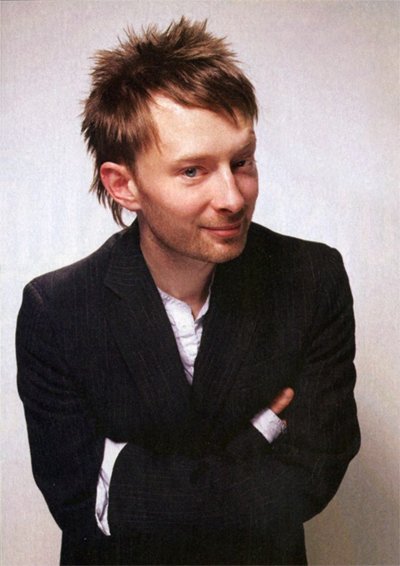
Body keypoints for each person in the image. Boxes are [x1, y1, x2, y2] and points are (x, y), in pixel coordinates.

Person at [16, 17, 360, 566]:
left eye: (241, 161)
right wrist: (258, 437)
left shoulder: (311, 277)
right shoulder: (57, 310)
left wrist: (133, 484)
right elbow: (80, 503)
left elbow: (312, 473)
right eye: (193, 171)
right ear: (123, 185)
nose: (233, 198)